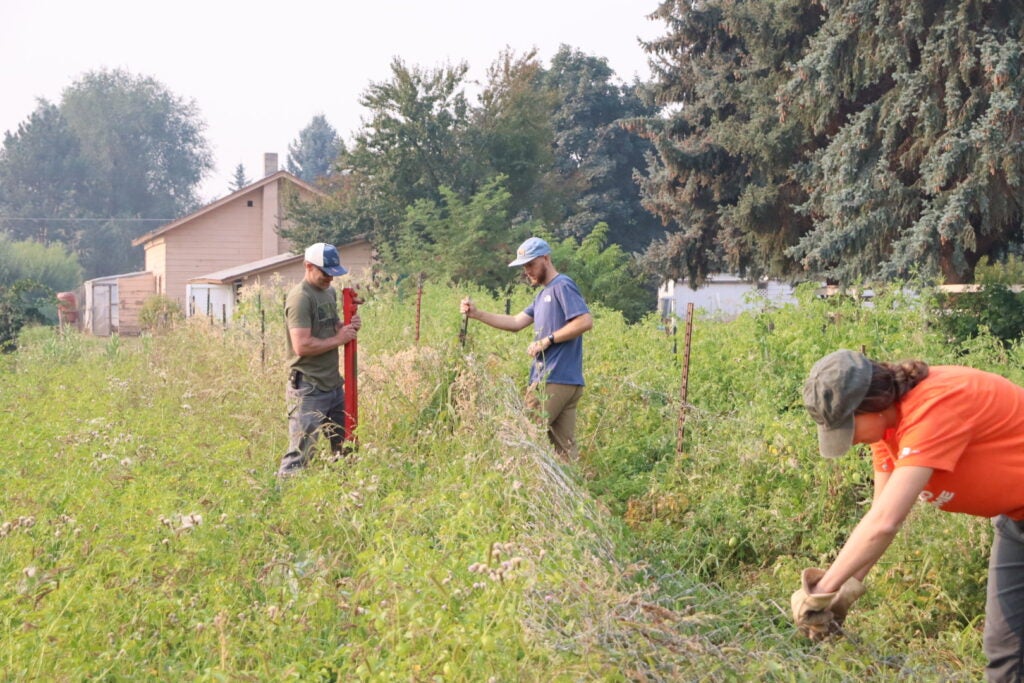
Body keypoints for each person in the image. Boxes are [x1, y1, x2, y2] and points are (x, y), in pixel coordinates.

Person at [792, 348, 1024, 682]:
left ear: (872, 404)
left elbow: (886, 522)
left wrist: (822, 591)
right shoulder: (886, 429)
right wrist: (845, 590)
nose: (850, 440)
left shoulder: (936, 406)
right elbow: (879, 513)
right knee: (1005, 650)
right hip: (1017, 522)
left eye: (848, 427)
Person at [461, 237, 593, 459]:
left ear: (546, 258)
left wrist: (548, 339)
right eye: (524, 266)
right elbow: (515, 323)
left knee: (520, 437)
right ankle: (571, 492)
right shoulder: (542, 295)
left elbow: (584, 322)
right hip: (567, 381)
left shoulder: (562, 285)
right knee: (565, 454)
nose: (527, 271)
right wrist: (477, 314)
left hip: (553, 378)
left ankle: (513, 489)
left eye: (531, 264)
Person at [277, 242, 361, 476]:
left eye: (333, 274)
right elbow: (301, 345)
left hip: (333, 386)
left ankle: (346, 495)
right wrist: (340, 339)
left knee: (347, 446)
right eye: (325, 273)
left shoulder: (328, 292)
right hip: (309, 387)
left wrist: (346, 326)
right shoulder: (300, 298)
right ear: (308, 266)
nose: (329, 279)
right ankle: (282, 503)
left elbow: (330, 324)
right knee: (300, 454)